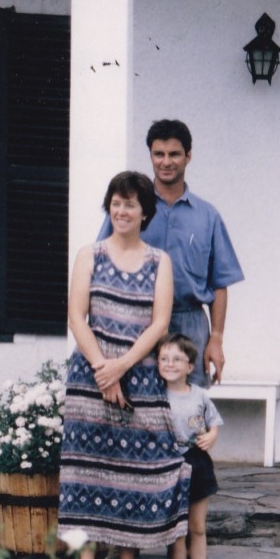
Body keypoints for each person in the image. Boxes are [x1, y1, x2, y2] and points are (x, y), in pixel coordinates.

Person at [59, 170, 191, 559]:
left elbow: (159, 323)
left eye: (131, 203)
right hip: (91, 377)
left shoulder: (159, 261)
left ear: (145, 212)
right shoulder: (89, 254)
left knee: (135, 472)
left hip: (138, 375)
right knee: (88, 472)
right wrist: (103, 369)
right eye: (116, 202)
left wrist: (122, 367)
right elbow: (77, 317)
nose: (121, 210)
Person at [98, 119, 244, 387]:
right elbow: (102, 266)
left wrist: (217, 339)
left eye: (174, 154)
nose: (166, 162)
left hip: (189, 325)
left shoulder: (207, 216)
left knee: (188, 411)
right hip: (135, 321)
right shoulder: (129, 209)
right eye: (158, 154)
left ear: (188, 156)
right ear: (150, 156)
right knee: (137, 409)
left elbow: (220, 283)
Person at [157, 332, 223, 559]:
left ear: (189, 366)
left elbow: (213, 422)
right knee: (177, 528)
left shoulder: (199, 395)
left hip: (196, 463)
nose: (169, 364)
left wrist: (212, 435)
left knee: (197, 526)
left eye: (176, 359)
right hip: (169, 463)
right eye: (163, 359)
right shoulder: (157, 396)